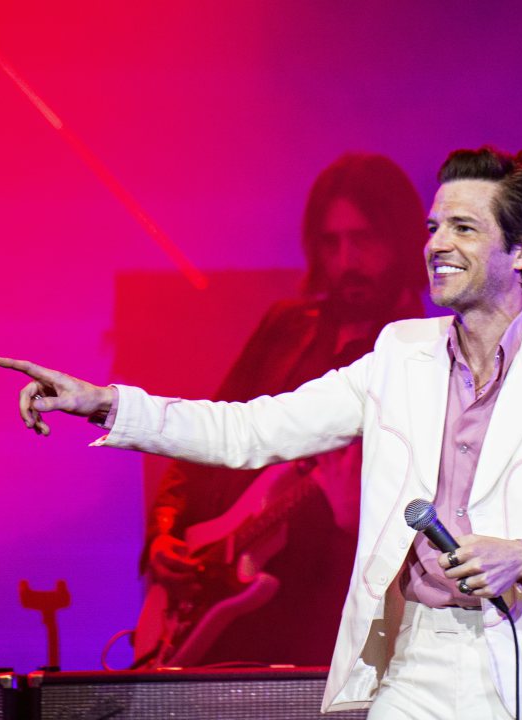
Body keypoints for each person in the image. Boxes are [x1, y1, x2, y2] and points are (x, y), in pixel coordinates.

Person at [0, 146, 522, 719]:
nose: (436, 244)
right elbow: (248, 429)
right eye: (433, 226)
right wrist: (105, 403)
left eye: (463, 228)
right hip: (418, 661)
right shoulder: (399, 353)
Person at [135, 153, 426, 668]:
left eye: (363, 239)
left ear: (400, 242)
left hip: (319, 633)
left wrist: (353, 524)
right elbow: (209, 435)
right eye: (331, 242)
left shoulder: (419, 358)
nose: (347, 260)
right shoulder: (287, 328)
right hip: (224, 613)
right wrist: (164, 531)